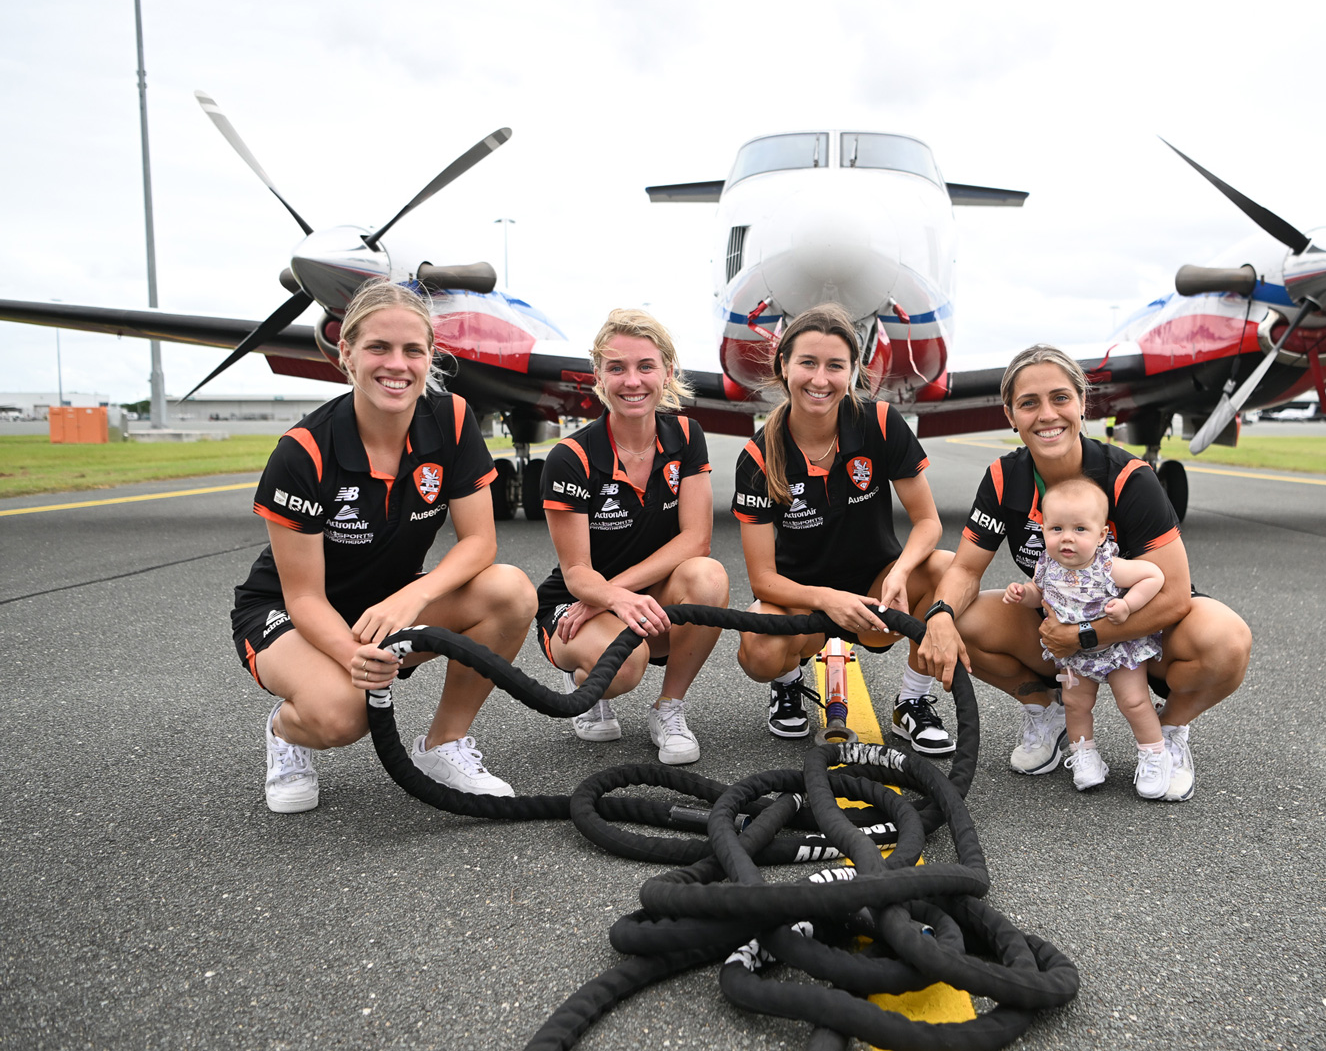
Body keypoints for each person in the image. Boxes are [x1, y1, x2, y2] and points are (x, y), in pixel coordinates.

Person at [232, 279, 538, 814]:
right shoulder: (302, 451)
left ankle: (442, 745)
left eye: (412, 350)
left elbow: (480, 542)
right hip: (289, 611)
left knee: (509, 591)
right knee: (342, 715)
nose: (396, 364)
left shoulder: (453, 419)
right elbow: (303, 598)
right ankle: (286, 732)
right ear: (346, 352)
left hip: (388, 604)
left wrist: (411, 599)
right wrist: (356, 658)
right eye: (378, 347)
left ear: (430, 358)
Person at [918, 344, 1253, 801]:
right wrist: (938, 615)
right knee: (962, 620)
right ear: (1010, 415)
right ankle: (1048, 713)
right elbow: (965, 568)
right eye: (1029, 403)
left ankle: (1169, 730)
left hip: (1143, 629)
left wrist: (1088, 635)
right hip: (1060, 633)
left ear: (1082, 404)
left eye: (1060, 398)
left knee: (1227, 639)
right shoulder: (1003, 477)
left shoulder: (1129, 478)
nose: (1046, 414)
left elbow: (1174, 594)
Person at [732, 303, 955, 754]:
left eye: (835, 365)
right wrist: (828, 600)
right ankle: (789, 684)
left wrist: (900, 571)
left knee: (945, 567)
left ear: (854, 371)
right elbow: (762, 579)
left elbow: (928, 523)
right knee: (758, 646)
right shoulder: (758, 457)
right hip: (803, 601)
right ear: (784, 366)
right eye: (807, 363)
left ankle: (911, 701)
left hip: (878, 596)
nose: (820, 379)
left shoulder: (881, 423)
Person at [535, 309, 728, 765]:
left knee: (708, 576)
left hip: (631, 599)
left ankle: (670, 708)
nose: (632, 381)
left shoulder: (685, 434)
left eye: (645, 366)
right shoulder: (571, 456)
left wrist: (614, 595)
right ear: (598, 375)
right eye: (616, 368)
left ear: (668, 372)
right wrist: (606, 600)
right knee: (625, 664)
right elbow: (577, 571)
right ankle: (586, 678)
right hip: (573, 606)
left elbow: (696, 538)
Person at [1002, 478, 1169, 796]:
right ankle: (1084, 755)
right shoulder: (1047, 566)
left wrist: (1127, 605)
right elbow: (1040, 594)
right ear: (1043, 530)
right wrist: (1023, 594)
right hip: (1073, 654)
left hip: (1118, 649)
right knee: (1076, 705)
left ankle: (1154, 754)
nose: (1067, 538)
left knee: (1133, 701)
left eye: (1080, 529)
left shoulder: (1106, 566)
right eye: (1056, 529)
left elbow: (1153, 575)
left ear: (1101, 534)